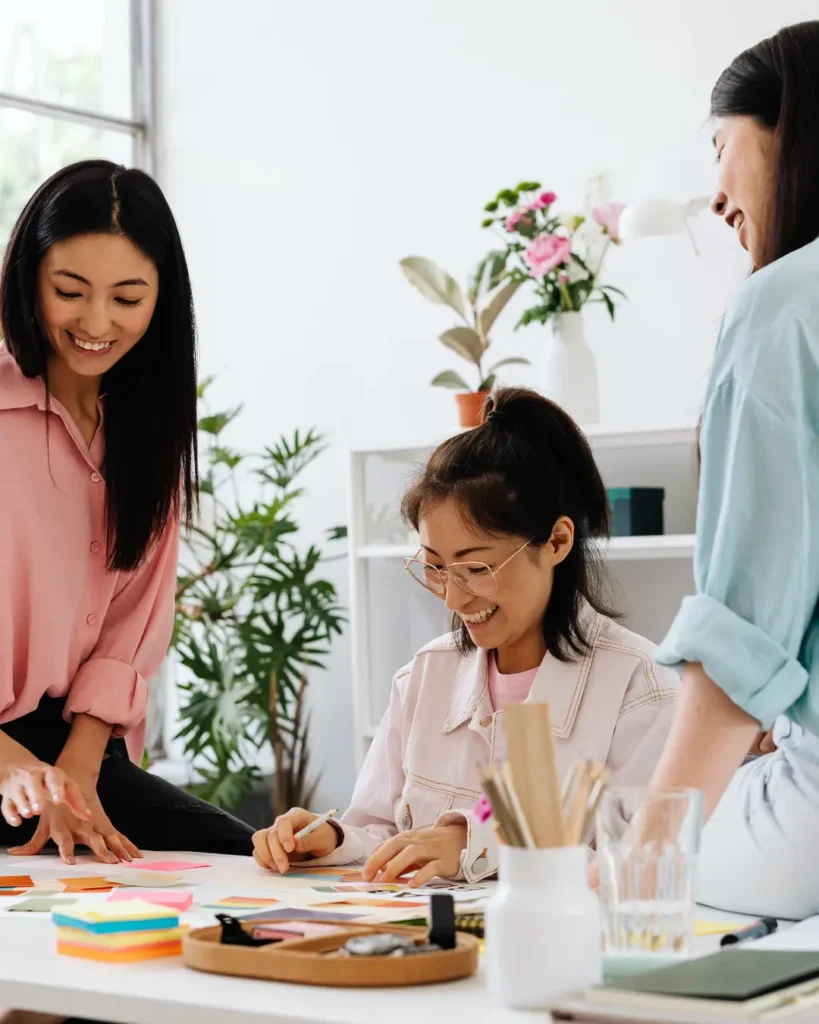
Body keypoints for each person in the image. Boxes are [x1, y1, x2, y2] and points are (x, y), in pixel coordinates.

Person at [252, 387, 680, 886]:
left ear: (558, 541)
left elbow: (643, 867)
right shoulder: (423, 677)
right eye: (435, 567)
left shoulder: (641, 690)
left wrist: (482, 844)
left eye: (477, 567)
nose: (453, 599)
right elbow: (378, 828)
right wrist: (329, 839)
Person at [0, 160, 255, 863]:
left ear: (160, 302)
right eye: (69, 291)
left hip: (78, 744)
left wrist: (78, 766)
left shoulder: (146, 436)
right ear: (29, 279)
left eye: (127, 298)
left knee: (247, 859)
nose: (96, 322)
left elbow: (129, 625)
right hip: (6, 761)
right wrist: (17, 772)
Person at [645, 21, 819, 919]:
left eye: (720, 147)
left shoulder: (781, 307)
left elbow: (735, 637)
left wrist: (638, 867)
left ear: (790, 129)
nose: (715, 194)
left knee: (603, 863)